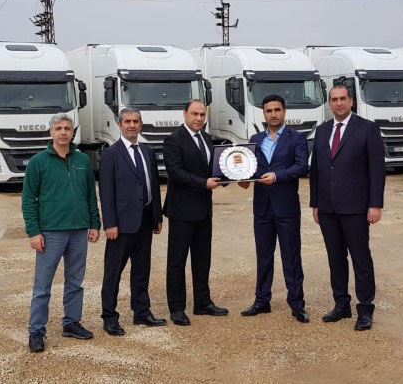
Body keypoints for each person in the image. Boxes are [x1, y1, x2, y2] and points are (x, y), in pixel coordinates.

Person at [309, 85, 386, 331]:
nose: (339, 103)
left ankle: (365, 309)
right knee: (335, 259)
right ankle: (341, 305)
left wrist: (375, 204)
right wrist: (315, 203)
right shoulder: (322, 131)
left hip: (356, 208)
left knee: (361, 259)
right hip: (328, 208)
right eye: (334, 99)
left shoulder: (367, 129)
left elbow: (377, 169)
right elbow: (316, 170)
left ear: (351, 101)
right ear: (329, 103)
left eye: (343, 99)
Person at [23, 113, 101, 353]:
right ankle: (37, 331)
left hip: (78, 231)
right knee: (42, 286)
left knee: (75, 282)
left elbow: (90, 194)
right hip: (50, 232)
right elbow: (28, 199)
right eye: (58, 128)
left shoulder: (82, 160)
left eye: (67, 128)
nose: (63, 132)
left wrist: (94, 223)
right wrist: (34, 232)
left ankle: (71, 322)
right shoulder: (38, 162)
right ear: (51, 132)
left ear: (73, 132)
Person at [238, 94, 310, 323]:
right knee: (263, 257)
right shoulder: (255, 139)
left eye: (277, 110)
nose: (273, 114)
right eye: (269, 111)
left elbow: (301, 166)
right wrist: (242, 178)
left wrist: (277, 176)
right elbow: (250, 168)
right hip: (262, 208)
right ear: (264, 114)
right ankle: (262, 301)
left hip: (286, 208)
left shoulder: (297, 138)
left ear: (284, 112)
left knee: (291, 257)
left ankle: (297, 304)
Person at [98, 107, 167, 336]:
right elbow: (106, 191)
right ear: (120, 125)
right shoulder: (111, 154)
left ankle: (142, 312)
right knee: (113, 272)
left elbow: (153, 185)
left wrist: (157, 216)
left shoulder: (147, 151)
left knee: (141, 269)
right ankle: (109, 317)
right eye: (127, 121)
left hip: (145, 220)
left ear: (141, 124)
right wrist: (110, 223)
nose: (131, 125)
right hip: (121, 224)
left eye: (135, 121)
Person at [162, 99, 228, 325]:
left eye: (202, 114)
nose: (199, 118)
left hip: (204, 211)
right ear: (185, 114)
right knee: (177, 261)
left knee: (202, 259)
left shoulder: (207, 139)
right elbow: (175, 172)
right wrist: (203, 183)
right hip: (182, 211)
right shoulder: (173, 140)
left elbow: (212, 171)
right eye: (195, 114)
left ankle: (203, 302)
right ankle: (176, 307)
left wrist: (230, 177)